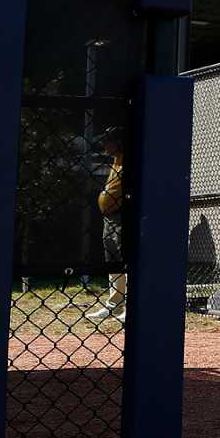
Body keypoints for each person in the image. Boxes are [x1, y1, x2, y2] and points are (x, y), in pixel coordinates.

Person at [84, 127, 127, 323]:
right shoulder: (115, 161)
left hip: (122, 216)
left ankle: (129, 306)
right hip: (109, 218)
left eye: (108, 141)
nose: (104, 146)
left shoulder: (130, 160)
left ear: (118, 142)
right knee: (112, 261)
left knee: (126, 259)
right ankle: (114, 304)